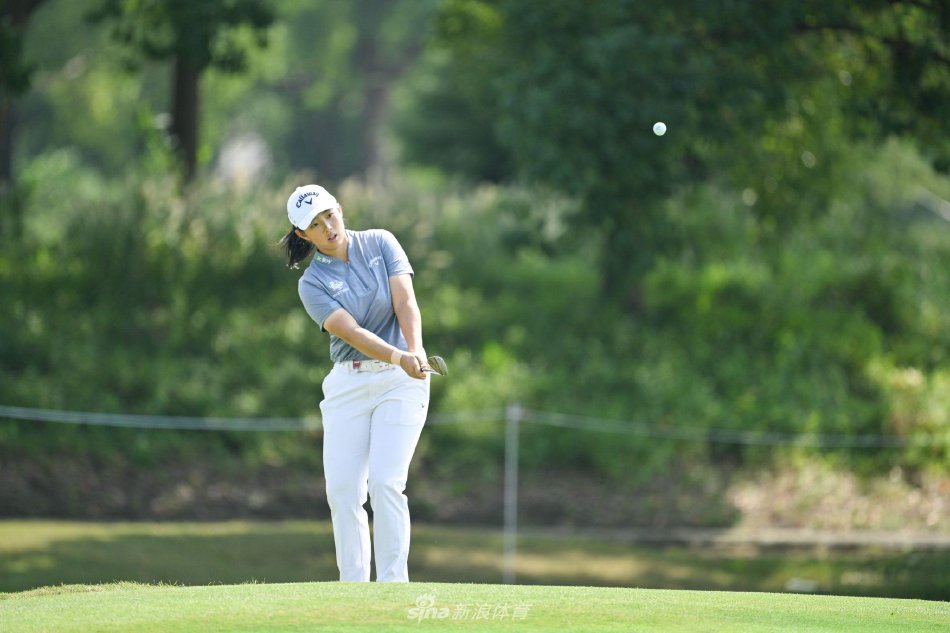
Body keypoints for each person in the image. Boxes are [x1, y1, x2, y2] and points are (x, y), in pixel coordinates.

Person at [281, 184, 432, 582]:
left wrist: (413, 351)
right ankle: (353, 590)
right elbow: (349, 332)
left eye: (330, 215)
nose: (328, 227)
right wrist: (400, 356)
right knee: (345, 492)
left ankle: (393, 587)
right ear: (303, 236)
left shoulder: (381, 242)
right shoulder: (311, 283)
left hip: (402, 382)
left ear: (340, 209)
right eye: (315, 224)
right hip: (349, 384)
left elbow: (405, 301)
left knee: (386, 482)